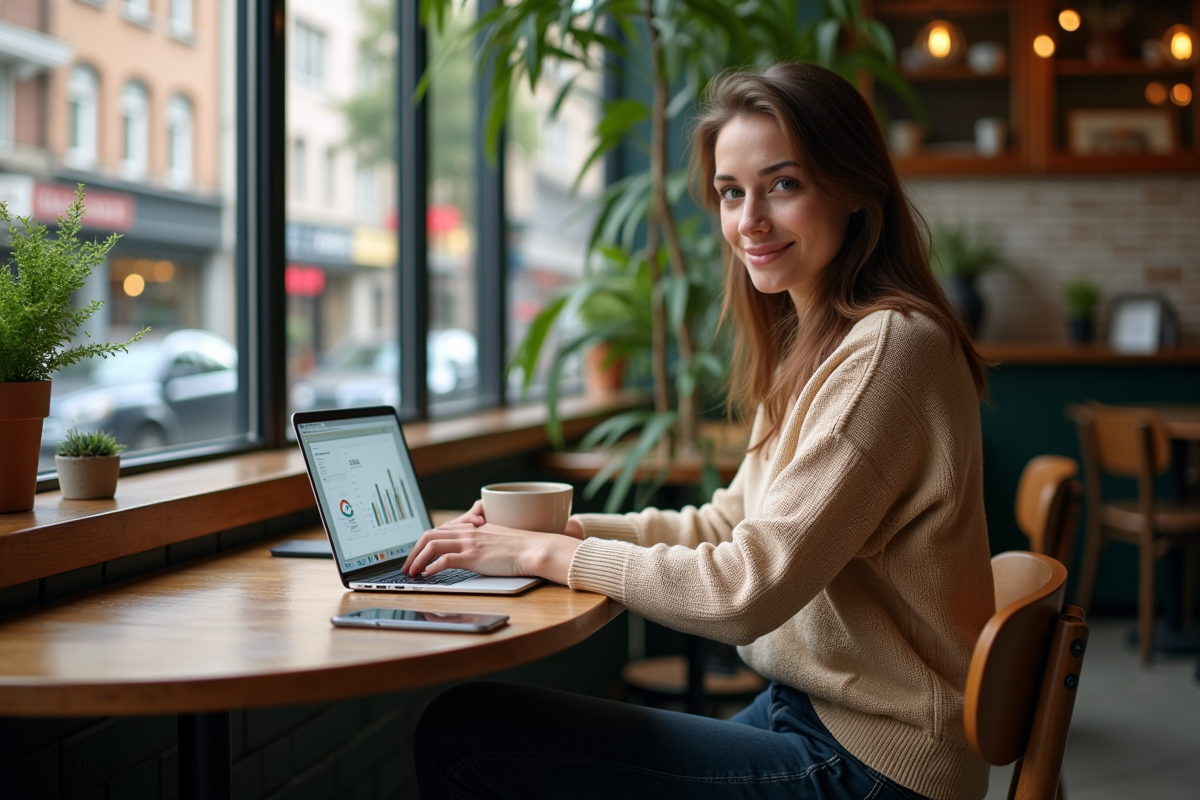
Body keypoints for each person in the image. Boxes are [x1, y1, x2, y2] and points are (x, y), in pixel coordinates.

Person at [406, 62, 995, 800]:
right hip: (813, 717)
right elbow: (726, 522)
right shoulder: (819, 344)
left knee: (467, 735)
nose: (749, 221)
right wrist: (564, 531)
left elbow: (747, 589)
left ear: (854, 189)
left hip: (876, 765)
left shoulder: (888, 350)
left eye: (783, 184)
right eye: (730, 192)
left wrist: (538, 552)